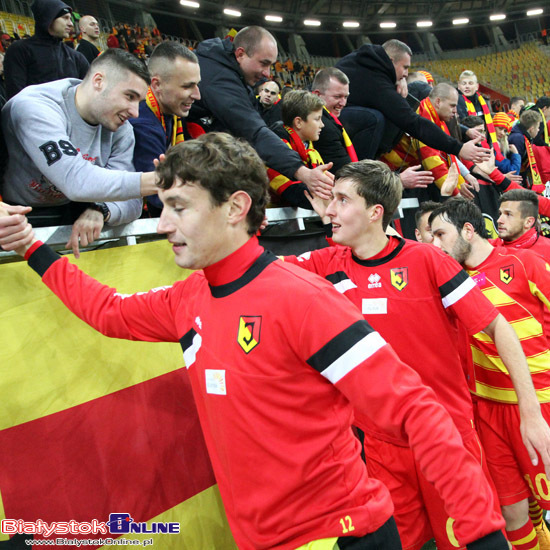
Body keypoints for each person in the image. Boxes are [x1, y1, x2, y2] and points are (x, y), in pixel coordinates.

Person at [0, 133, 509, 550]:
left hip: (337, 536)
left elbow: (416, 410)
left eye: (179, 206)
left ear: (234, 207)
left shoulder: (302, 300)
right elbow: (108, 312)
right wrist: (30, 246)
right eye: (164, 205)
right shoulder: (188, 298)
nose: (164, 223)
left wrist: (481, 534)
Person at [283, 159, 550, 550]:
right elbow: (259, 272)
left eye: (341, 199)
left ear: (375, 213)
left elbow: (499, 328)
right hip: (380, 444)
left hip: (446, 436)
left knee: (472, 538)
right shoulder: (326, 264)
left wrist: (531, 413)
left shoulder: (428, 260)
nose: (328, 210)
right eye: (331, 200)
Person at [430, 197, 550, 548]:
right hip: (485, 411)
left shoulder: (524, 262)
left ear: (468, 230)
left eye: (441, 235)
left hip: (537, 403)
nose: (435, 245)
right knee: (512, 513)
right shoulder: (449, 283)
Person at [1, 48, 157, 256]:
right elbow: (75, 180)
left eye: (139, 102)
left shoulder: (121, 129)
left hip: (71, 211)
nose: (135, 112)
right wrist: (160, 181)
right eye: (129, 96)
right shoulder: (35, 106)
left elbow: (132, 201)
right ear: (98, 81)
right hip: (13, 213)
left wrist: (101, 209)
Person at [190, 25, 334, 201]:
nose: (267, 74)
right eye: (263, 63)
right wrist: (302, 171)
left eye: (271, 65)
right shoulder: (220, 78)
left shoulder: (231, 72)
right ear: (240, 54)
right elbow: (254, 132)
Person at [335, 39, 490, 164]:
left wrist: (399, 78)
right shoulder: (377, 83)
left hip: (332, 116)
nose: (407, 73)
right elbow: (413, 123)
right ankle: (360, 171)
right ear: (390, 61)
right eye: (405, 68)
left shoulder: (364, 58)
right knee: (374, 118)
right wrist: (458, 148)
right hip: (332, 120)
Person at [130, 41, 203, 217]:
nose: (197, 95)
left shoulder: (169, 110)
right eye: (187, 86)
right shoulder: (142, 124)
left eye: (196, 84)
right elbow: (160, 196)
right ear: (156, 85)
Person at [4, 0, 89, 99]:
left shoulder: (76, 57)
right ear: (49, 18)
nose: (70, 24)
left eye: (70, 19)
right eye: (65, 18)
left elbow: (88, 94)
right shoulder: (19, 50)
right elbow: (15, 96)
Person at [267, 90, 327, 208]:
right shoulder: (274, 151)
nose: (322, 124)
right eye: (317, 119)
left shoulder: (311, 151)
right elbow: (291, 192)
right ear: (298, 122)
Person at [310, 67, 357, 172]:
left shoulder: (327, 119)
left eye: (345, 97)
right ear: (317, 95)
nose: (343, 103)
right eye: (337, 97)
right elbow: (347, 174)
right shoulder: (325, 127)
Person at [509, 109, 544, 191]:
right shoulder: (518, 138)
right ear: (531, 129)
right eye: (538, 127)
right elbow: (516, 163)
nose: (538, 130)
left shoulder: (524, 137)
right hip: (515, 181)